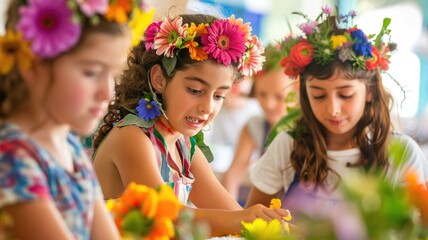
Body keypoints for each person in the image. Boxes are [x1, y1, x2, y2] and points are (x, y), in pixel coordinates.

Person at [92, 13, 290, 236]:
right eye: (195, 91)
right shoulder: (133, 137)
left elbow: (229, 210)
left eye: (219, 96)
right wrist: (243, 219)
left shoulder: (184, 144)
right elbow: (165, 216)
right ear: (159, 79)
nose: (207, 107)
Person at [246, 6, 428, 221]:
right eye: (319, 96)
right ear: (305, 94)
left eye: (346, 95)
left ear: (369, 91)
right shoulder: (287, 146)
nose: (333, 109)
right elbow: (250, 222)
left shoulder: (402, 152)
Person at [0, 0, 150, 239]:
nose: (107, 93)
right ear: (34, 64)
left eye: (112, 74)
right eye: (92, 72)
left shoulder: (69, 145)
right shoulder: (11, 159)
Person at [221, 43, 296, 203]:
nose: (268, 104)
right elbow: (233, 175)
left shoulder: (303, 130)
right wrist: (230, 213)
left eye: (278, 97)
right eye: (262, 94)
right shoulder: (255, 126)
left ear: (297, 92)